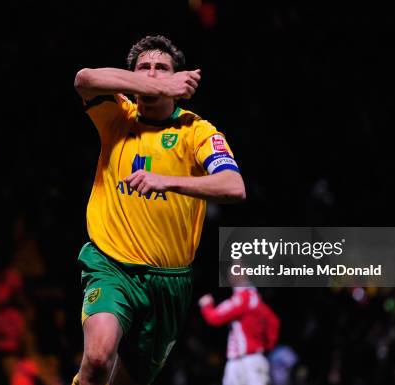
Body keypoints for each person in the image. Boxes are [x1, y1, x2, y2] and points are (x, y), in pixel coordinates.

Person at [72, 35, 246, 385]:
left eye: (161, 69)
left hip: (169, 283)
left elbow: (233, 187)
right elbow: (84, 80)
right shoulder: (117, 117)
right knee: (97, 356)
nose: (152, 75)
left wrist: (167, 181)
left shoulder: (196, 132)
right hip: (112, 265)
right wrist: (156, 83)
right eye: (143, 68)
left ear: (178, 78)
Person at [198, 274, 280, 385]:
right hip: (250, 360)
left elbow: (215, 318)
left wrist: (206, 305)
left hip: (246, 363)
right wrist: (264, 347)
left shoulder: (243, 297)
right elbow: (274, 322)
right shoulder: (255, 298)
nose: (230, 275)